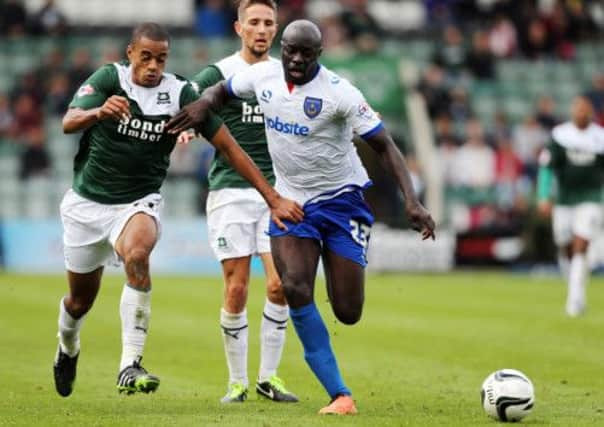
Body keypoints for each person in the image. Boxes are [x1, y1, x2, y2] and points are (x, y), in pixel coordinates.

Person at [167, 20, 435, 415]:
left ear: (318, 56)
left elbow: (385, 146)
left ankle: (334, 264)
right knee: (292, 286)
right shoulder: (262, 75)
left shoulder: (340, 93)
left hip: (343, 203)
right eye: (289, 49)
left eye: (304, 53)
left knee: (348, 311)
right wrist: (204, 104)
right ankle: (339, 395)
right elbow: (221, 91)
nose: (294, 58)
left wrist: (412, 201)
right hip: (292, 202)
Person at [52, 22, 302, 398]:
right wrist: (99, 112)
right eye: (146, 57)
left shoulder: (181, 94)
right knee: (79, 301)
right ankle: (67, 346)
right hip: (86, 205)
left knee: (138, 253)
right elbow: (69, 121)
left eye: (161, 58)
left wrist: (272, 197)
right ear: (130, 53)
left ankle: (129, 364)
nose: (153, 66)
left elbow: (231, 148)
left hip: (138, 203)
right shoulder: (109, 79)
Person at [190, 0, 297, 403]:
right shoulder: (219, 73)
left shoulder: (287, 74)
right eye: (254, 22)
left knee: (280, 284)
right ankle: (236, 382)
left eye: (269, 23)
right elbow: (188, 102)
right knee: (236, 290)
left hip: (279, 193)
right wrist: (188, 127)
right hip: (231, 191)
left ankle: (269, 378)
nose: (262, 29)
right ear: (239, 28)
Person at [537, 96, 604, 317]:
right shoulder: (560, 136)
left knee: (581, 245)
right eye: (578, 109)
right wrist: (544, 196)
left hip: (592, 198)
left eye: (585, 110)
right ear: (572, 111)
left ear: (591, 112)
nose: (581, 113)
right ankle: (575, 289)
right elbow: (546, 168)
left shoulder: (600, 138)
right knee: (566, 247)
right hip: (564, 200)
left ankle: (575, 300)